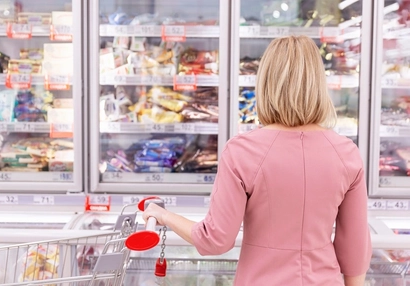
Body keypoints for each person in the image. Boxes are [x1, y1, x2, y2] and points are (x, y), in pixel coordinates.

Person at [143, 35, 372, 286]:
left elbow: (215, 240)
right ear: (318, 84)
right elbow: (354, 247)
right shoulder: (346, 153)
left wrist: (163, 216)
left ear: (266, 84)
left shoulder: (242, 151)